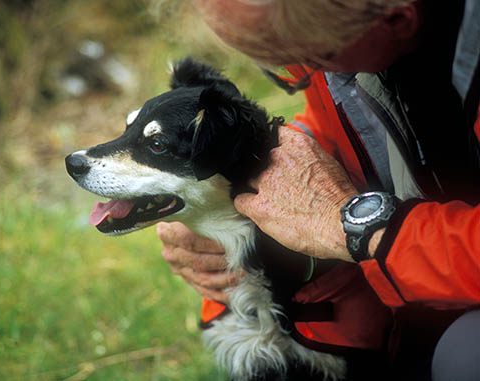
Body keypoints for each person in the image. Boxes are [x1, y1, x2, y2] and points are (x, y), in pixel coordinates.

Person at [157, 0, 480, 379]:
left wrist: (369, 229)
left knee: (465, 354)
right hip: (416, 305)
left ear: (398, 18)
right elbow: (342, 123)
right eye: (278, 65)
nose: (303, 74)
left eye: (302, 59)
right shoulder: (347, 42)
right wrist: (235, 198)